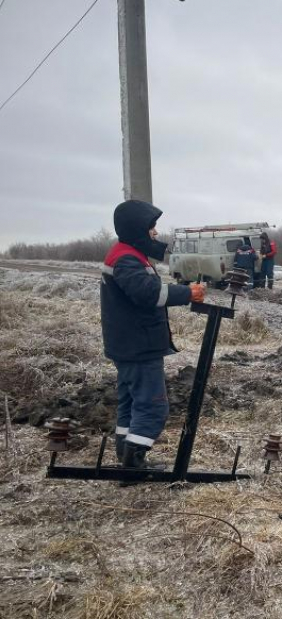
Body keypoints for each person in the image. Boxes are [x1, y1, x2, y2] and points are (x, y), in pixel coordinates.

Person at [101, 200, 205, 468]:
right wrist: (187, 293)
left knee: (130, 403)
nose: (156, 233)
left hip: (129, 344)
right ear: (137, 228)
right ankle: (134, 464)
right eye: (152, 227)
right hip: (138, 347)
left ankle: (126, 457)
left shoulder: (125, 254)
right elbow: (147, 293)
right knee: (153, 406)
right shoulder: (126, 258)